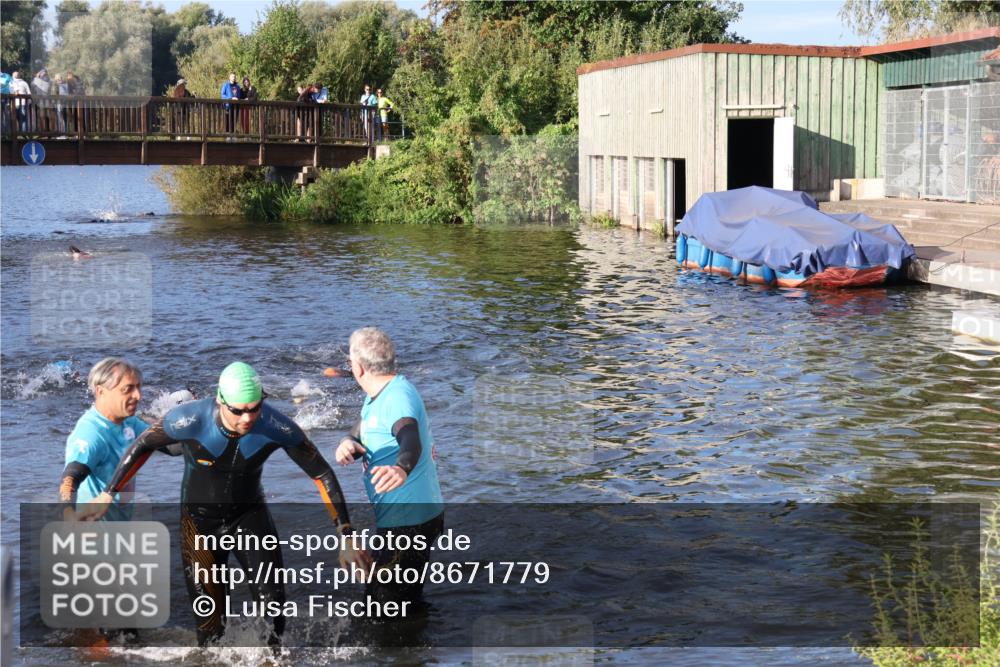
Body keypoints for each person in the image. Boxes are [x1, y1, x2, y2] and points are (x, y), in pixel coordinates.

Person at [78, 361, 371, 647]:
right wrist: (109, 492)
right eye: (238, 410)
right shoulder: (190, 419)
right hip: (199, 525)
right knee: (210, 627)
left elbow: (321, 472)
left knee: (274, 612)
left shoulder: (275, 426)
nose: (247, 418)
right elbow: (144, 444)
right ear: (220, 401)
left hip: (249, 518)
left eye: (254, 408)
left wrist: (345, 534)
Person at [335, 328, 444, 607]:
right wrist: (349, 440)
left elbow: (409, 437)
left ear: (359, 368)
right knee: (397, 599)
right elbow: (366, 423)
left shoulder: (397, 398)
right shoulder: (381, 392)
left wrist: (401, 468)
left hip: (408, 523)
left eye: (349, 361)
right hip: (408, 518)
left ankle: (418, 634)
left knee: (384, 610)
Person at [58, 358, 149, 523]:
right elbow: (70, 478)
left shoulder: (130, 422)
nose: (138, 396)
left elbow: (169, 445)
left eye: (138, 387)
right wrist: (69, 516)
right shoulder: (91, 433)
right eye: (128, 389)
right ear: (101, 392)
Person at [30, 68, 53, 133]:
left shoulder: (41, 80)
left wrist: (37, 77)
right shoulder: (49, 80)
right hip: (45, 100)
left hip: (41, 100)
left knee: (42, 115)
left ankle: (43, 130)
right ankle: (47, 130)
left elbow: (32, 84)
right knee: (46, 115)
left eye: (41, 73)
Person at [219, 72, 240, 138]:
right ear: (229, 77)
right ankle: (228, 135)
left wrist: (237, 98)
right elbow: (222, 95)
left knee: (234, 120)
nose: (234, 78)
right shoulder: (226, 85)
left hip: (235, 106)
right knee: (228, 120)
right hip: (228, 106)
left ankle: (233, 135)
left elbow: (239, 95)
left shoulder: (237, 86)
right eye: (232, 76)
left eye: (234, 77)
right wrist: (230, 98)